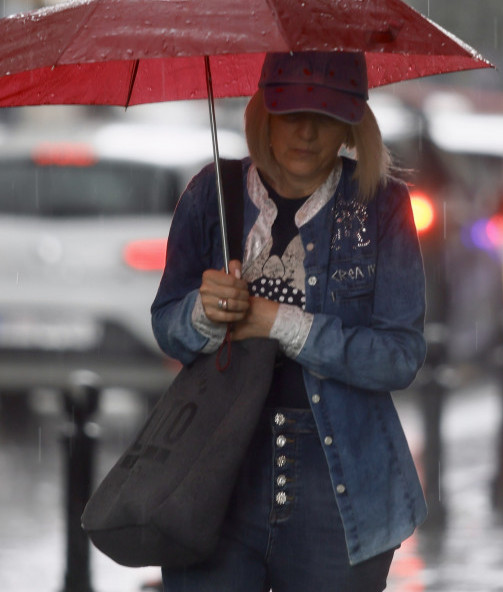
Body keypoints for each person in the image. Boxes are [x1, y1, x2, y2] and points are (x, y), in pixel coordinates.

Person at [151, 51, 428, 591]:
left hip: (340, 480)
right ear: (263, 115)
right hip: (216, 471)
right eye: (291, 111)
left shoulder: (381, 205)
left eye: (326, 115)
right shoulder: (212, 193)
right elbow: (167, 326)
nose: (307, 131)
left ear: (352, 125)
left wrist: (279, 322)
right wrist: (203, 314)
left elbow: (399, 356)